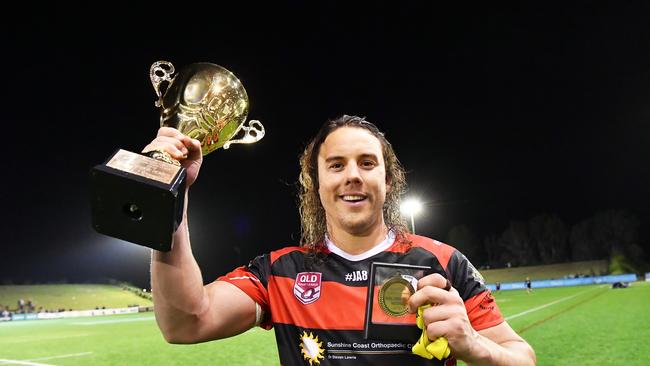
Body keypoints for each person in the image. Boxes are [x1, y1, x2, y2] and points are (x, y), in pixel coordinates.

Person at [147, 115, 536, 365]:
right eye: (336, 165)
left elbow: (523, 357)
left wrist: (474, 345)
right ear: (317, 186)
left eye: (367, 163)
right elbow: (184, 323)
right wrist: (169, 194)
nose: (352, 176)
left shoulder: (443, 262)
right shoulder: (279, 273)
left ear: (387, 181)